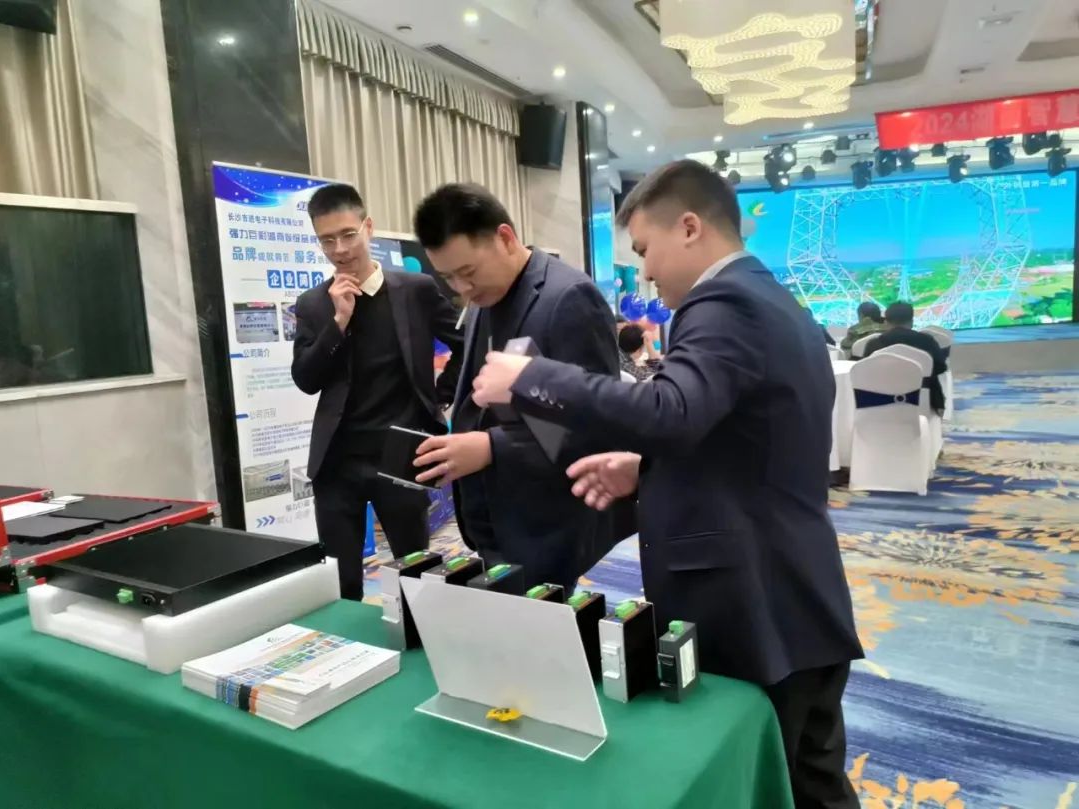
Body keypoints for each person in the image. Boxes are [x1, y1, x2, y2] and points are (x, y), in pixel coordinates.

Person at [471, 160, 863, 808]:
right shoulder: (768, 297)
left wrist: (532, 377)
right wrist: (644, 469)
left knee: (763, 781)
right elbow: (744, 438)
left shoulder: (724, 302)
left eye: (646, 249)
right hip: (794, 591)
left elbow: (672, 409)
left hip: (755, 600)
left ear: (689, 227)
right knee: (811, 781)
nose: (646, 272)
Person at [409, 183, 620, 592]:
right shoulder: (482, 302)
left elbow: (598, 425)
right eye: (448, 278)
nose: (462, 289)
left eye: (468, 272)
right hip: (493, 521)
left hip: (553, 528)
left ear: (505, 237)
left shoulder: (569, 297)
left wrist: (491, 448)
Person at [291, 183, 463, 600]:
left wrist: (441, 394)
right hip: (337, 461)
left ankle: (417, 634)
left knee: (414, 570)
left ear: (368, 227)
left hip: (400, 454)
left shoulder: (416, 290)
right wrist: (338, 322)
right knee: (340, 579)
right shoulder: (314, 303)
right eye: (327, 240)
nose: (340, 249)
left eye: (348, 234)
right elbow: (306, 379)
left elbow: (467, 343)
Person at [864, 301, 947, 413]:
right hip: (924, 402)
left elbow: (864, 371)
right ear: (912, 321)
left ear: (886, 322)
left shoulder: (873, 345)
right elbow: (940, 367)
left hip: (881, 402)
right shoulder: (927, 341)